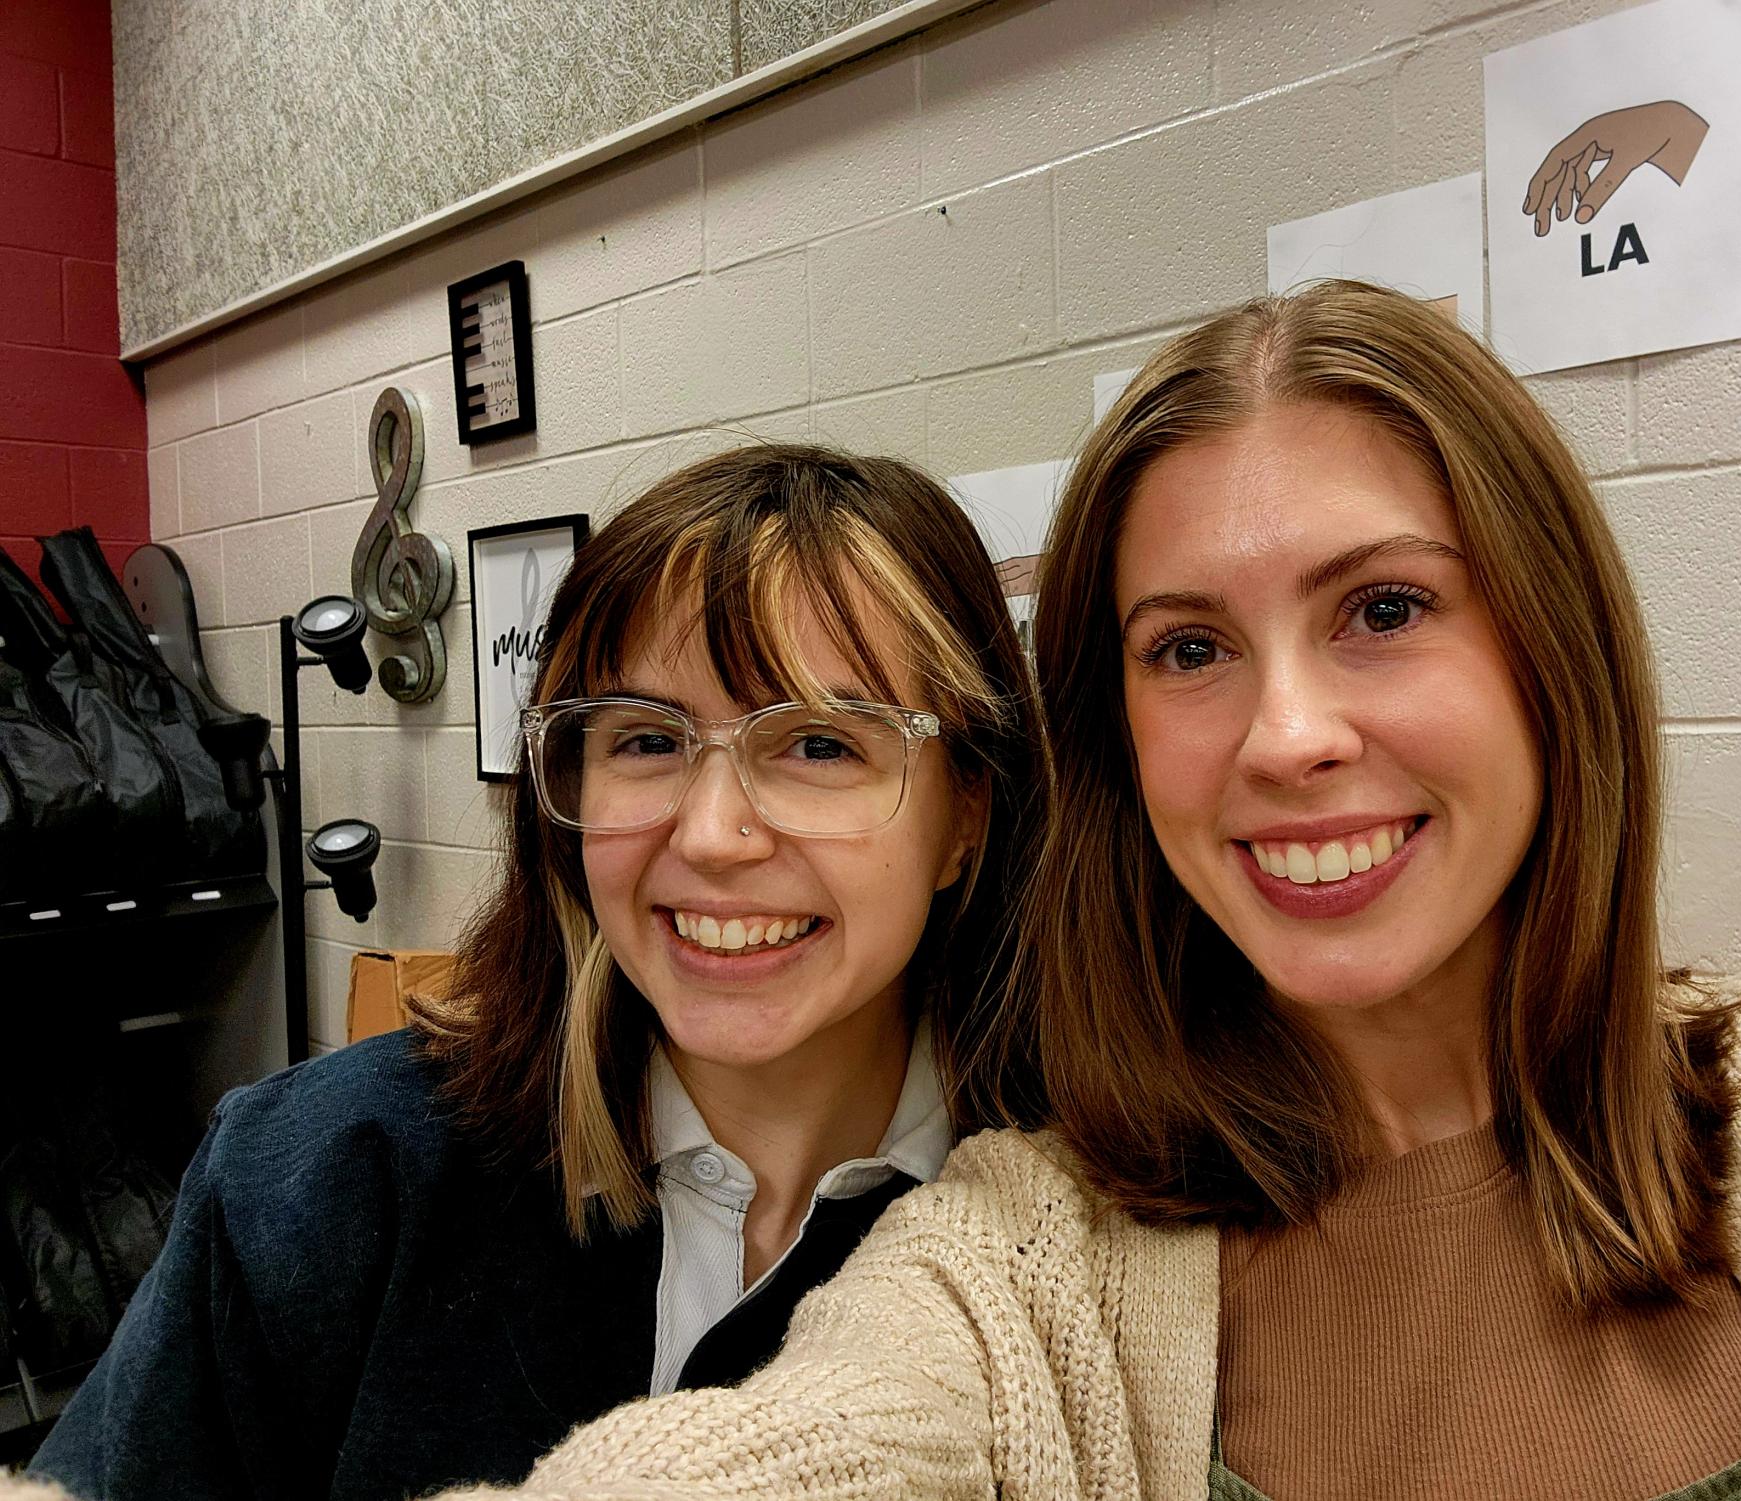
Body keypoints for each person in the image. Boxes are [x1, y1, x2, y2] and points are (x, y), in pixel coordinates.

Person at [410, 283, 1741, 1501]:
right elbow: (807, 1445)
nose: (1289, 736)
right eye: (1188, 649)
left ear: (1550, 650)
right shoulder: (1034, 1261)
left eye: (1383, 608)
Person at [23, 443, 1047, 1500]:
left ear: (967, 811)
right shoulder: (322, 1181)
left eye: (822, 745)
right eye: (647, 739)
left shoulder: (1090, 1231)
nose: (711, 834)